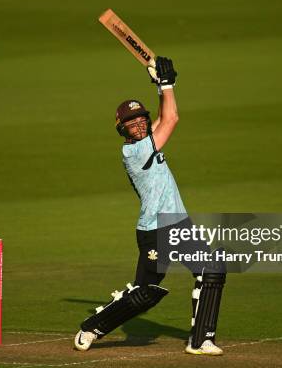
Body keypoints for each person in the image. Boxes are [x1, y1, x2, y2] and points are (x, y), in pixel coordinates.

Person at [74, 57, 226, 355]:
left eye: (142, 119)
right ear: (123, 129)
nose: (139, 123)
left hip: (177, 223)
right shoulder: (134, 152)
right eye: (132, 122)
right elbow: (171, 119)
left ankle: (201, 340)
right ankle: (93, 326)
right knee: (145, 293)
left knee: (212, 269)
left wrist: (160, 87)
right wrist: (167, 85)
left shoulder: (147, 139)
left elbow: (161, 117)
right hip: (155, 230)